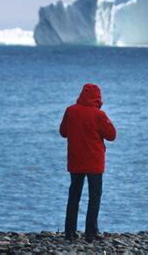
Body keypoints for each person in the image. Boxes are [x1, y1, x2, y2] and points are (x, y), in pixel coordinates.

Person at [59, 83, 117, 243]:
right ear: (98, 98)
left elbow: (63, 132)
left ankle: (69, 232)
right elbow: (112, 135)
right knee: (94, 196)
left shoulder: (70, 111)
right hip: (94, 162)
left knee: (74, 196)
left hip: (76, 160)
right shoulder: (99, 115)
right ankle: (90, 233)